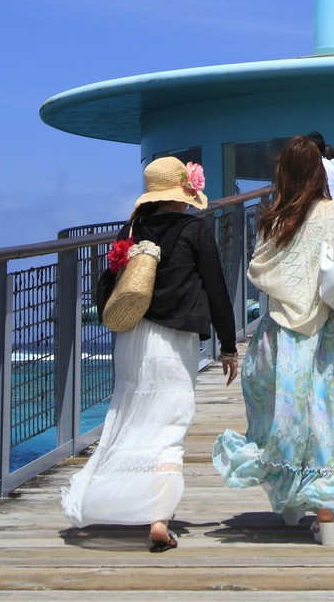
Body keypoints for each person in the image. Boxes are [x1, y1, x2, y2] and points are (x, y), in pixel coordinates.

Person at [63, 157, 239, 552]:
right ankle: (158, 518)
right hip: (173, 341)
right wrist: (228, 346)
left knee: (129, 417)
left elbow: (110, 282)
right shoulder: (195, 229)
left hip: (133, 337)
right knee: (170, 425)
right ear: (184, 193)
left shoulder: (134, 228)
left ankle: (118, 500)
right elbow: (216, 288)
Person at [214, 136, 334, 545]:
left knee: (283, 412)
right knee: (324, 411)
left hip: (280, 330)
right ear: (320, 171)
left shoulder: (273, 219)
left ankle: (292, 503)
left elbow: (260, 272)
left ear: (282, 174)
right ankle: (327, 512)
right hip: (329, 328)